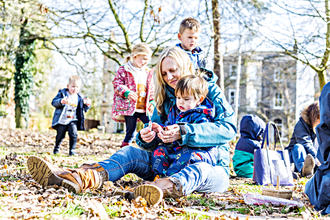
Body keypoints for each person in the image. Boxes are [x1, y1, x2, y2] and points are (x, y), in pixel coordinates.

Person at [27, 46, 236, 207]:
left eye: (173, 70)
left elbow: (228, 129)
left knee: (200, 169)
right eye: (164, 74)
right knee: (129, 151)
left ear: (185, 66)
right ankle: (80, 177)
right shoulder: (164, 98)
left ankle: (157, 189)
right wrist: (146, 138)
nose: (169, 77)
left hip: (210, 168)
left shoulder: (209, 91)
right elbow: (154, 135)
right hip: (167, 162)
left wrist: (185, 132)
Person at [150, 75, 217, 178]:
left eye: (186, 99)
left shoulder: (201, 115)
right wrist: (161, 129)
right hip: (177, 150)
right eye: (178, 97)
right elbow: (169, 126)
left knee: (186, 156)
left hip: (198, 152)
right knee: (160, 151)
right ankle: (159, 177)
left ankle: (172, 181)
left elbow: (202, 136)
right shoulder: (175, 112)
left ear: (199, 99)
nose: (180, 102)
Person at [111, 43, 155, 148]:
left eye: (148, 60)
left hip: (144, 107)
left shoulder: (148, 72)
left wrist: (152, 102)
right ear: (135, 56)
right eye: (143, 59)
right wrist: (127, 92)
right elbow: (117, 83)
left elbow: (152, 89)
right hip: (130, 108)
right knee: (130, 131)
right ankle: (124, 150)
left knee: (152, 126)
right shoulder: (124, 69)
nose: (146, 62)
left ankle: (150, 148)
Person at [305, 82, 330, 215]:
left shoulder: (328, 90)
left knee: (314, 187)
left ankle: (307, 174)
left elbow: (325, 129)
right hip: (307, 151)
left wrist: (322, 157)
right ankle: (305, 170)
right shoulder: (301, 125)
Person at [51, 75, 91, 156]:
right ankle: (57, 148)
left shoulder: (80, 97)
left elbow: (84, 109)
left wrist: (87, 104)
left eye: (77, 87)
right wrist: (61, 101)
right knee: (60, 136)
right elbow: (54, 102)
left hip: (73, 120)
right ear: (68, 86)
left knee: (74, 134)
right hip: (62, 120)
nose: (75, 89)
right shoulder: (62, 94)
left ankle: (72, 150)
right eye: (73, 87)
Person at [285, 102, 320, 178]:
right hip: (297, 157)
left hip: (314, 160)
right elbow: (306, 143)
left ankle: (315, 171)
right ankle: (303, 171)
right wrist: (318, 158)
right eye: (317, 119)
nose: (319, 122)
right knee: (298, 147)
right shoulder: (300, 125)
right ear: (312, 116)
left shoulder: (320, 127)